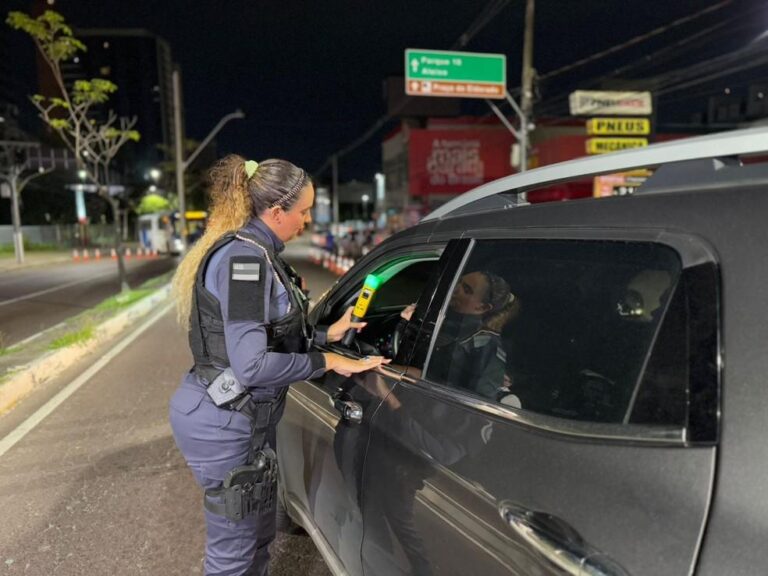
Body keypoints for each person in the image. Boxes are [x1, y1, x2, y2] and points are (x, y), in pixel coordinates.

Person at [168, 155, 388, 576]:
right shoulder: (245, 264)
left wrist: (328, 335)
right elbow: (251, 365)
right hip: (223, 422)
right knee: (233, 558)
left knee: (259, 541)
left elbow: (272, 335)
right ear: (275, 212)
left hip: (245, 421)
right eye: (303, 211)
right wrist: (327, 360)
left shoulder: (262, 255)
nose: (307, 220)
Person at [401, 270, 519, 399]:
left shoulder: (485, 345)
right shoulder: (445, 322)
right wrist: (409, 323)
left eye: (466, 290)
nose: (455, 288)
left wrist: (417, 375)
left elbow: (478, 401)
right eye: (459, 281)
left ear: (482, 308)